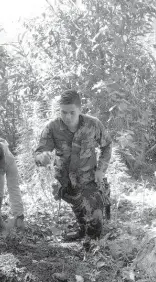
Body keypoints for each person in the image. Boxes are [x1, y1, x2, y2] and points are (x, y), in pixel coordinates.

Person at [34, 90, 112, 241]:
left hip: (89, 179)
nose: (67, 117)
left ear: (80, 110)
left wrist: (101, 170)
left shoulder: (93, 124)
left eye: (72, 112)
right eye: (63, 112)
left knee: (95, 218)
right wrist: (41, 157)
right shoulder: (52, 127)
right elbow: (40, 151)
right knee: (79, 207)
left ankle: (92, 241)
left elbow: (107, 146)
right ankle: (83, 230)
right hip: (65, 181)